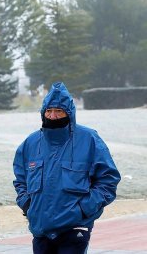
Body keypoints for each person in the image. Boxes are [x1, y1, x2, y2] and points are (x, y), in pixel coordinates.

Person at [13, 82, 121, 254]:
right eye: (49, 111)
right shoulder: (30, 144)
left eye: (58, 111)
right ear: (43, 112)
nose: (53, 116)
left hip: (74, 229)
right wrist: (28, 205)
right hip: (41, 230)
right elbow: (20, 180)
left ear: (69, 113)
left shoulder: (89, 139)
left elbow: (108, 180)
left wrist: (83, 209)